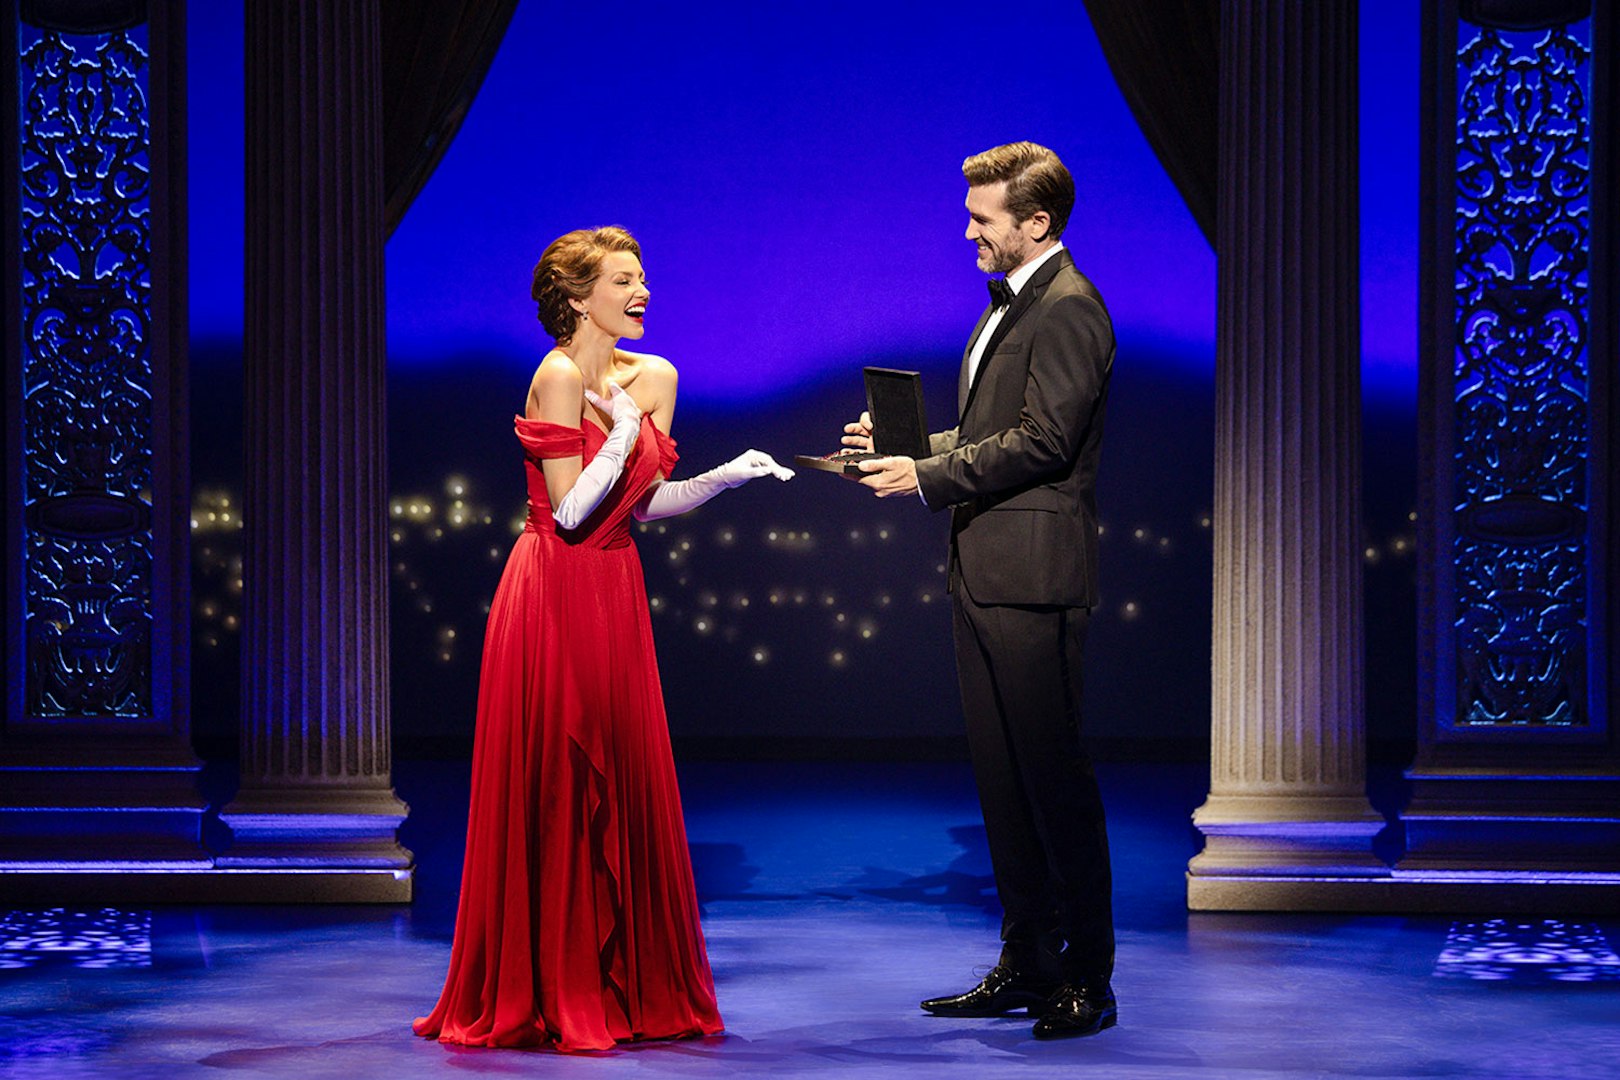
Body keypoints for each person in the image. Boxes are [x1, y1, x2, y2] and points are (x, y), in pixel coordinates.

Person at [414, 226, 792, 1052]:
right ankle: (552, 989)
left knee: (617, 775)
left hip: (613, 587)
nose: (643, 290)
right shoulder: (554, 374)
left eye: (643, 276)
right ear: (580, 296)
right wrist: (620, 432)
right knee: (555, 780)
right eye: (625, 279)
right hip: (552, 586)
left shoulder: (657, 375)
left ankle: (626, 989)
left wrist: (727, 475)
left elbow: (642, 506)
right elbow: (570, 510)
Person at [846, 142, 1117, 1040]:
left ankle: (1088, 977)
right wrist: (907, 449)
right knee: (1005, 785)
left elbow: (1044, 442)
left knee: (1054, 779)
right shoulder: (1008, 308)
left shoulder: (1071, 308)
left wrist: (927, 478)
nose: (968, 230)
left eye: (983, 217)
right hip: (985, 570)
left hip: (1035, 578)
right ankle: (1030, 962)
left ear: (1035, 222)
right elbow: (998, 427)